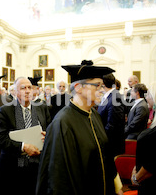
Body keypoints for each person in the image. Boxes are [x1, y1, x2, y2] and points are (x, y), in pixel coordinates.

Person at [36, 60, 123, 195]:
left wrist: (116, 183)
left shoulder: (94, 114)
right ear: (78, 87)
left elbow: (104, 153)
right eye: (97, 85)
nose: (101, 90)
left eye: (102, 86)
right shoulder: (63, 122)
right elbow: (59, 177)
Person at [0, 77, 51, 195]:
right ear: (15, 92)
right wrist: (23, 147)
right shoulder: (6, 110)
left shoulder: (42, 107)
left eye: (30, 87)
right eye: (23, 88)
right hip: (15, 167)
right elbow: (0, 138)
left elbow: (49, 130)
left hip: (38, 164)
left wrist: (48, 136)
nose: (27, 91)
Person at [97, 73, 125, 157]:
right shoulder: (109, 96)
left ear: (103, 84)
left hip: (111, 144)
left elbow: (112, 125)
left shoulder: (115, 98)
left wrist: (99, 137)